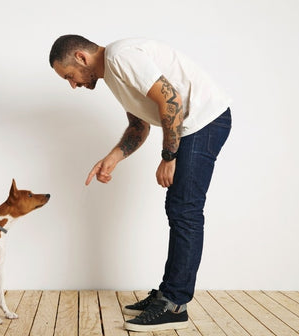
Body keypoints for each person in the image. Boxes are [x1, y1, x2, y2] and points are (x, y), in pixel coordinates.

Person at [49, 35, 232, 332]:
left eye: (70, 76)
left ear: (81, 57)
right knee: (178, 208)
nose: (73, 84)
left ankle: (175, 304)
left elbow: (170, 98)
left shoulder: (121, 57)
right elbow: (139, 126)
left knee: (184, 209)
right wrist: (113, 157)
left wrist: (169, 156)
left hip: (204, 120)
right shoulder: (113, 74)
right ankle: (168, 293)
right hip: (191, 125)